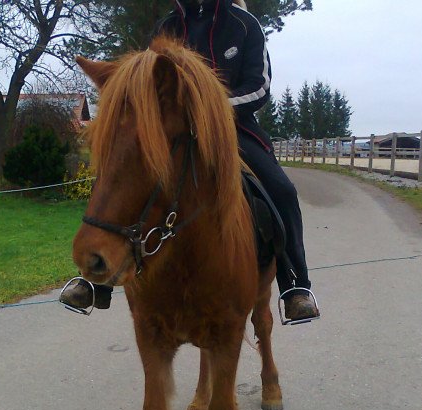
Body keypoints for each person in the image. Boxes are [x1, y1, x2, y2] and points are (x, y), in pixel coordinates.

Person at [61, 0, 319, 322]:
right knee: (121, 171)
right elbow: (144, 83)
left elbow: (260, 88)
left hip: (231, 127)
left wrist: (208, 108)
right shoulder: (166, 27)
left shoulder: (244, 24)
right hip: (171, 128)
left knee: (282, 190)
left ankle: (294, 286)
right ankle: (96, 278)